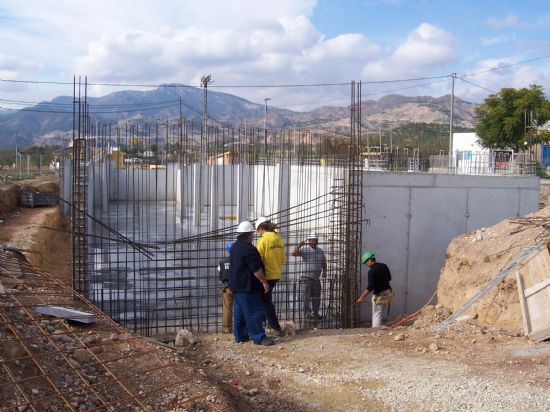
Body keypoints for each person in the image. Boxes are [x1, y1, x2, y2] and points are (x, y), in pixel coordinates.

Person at [228, 220, 274, 346]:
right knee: (254, 312)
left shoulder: (234, 247)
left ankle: (241, 336)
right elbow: (256, 269)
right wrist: (264, 282)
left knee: (240, 312)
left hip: (236, 285)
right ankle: (259, 337)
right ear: (249, 235)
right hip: (248, 286)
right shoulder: (249, 249)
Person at [255, 216, 284, 336]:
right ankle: (264, 324)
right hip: (276, 273)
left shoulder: (263, 240)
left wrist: (260, 277)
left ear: (261, 228)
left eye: (258, 231)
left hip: (266, 275)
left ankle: (275, 327)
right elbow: (282, 258)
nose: (258, 233)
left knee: (265, 301)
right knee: (265, 300)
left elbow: (257, 260)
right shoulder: (279, 238)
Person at [292, 233, 327, 319]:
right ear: (308, 241)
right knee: (306, 298)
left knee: (316, 297)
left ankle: (315, 314)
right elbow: (293, 253)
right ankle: (307, 314)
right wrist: (299, 245)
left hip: (316, 278)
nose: (313, 242)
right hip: (306, 277)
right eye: (311, 240)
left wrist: (325, 271)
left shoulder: (320, 251)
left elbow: (324, 262)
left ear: (317, 241)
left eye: (315, 240)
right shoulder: (304, 249)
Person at [356, 251, 393, 328]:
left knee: (377, 313)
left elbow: (370, 287)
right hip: (388, 293)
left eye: (366, 262)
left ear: (370, 260)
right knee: (379, 312)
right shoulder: (384, 266)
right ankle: (378, 329)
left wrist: (362, 297)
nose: (366, 265)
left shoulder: (371, 271)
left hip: (379, 295)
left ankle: (375, 330)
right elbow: (389, 278)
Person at [217, 242, 233, 334]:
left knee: (227, 308)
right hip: (238, 287)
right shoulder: (239, 260)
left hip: (226, 287)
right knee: (241, 307)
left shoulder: (222, 262)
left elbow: (220, 275)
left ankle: (227, 329)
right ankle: (242, 328)